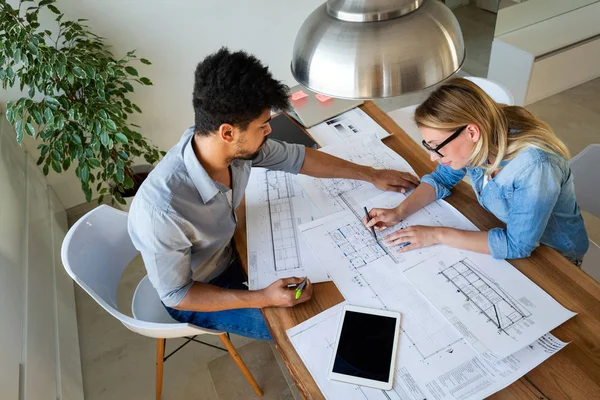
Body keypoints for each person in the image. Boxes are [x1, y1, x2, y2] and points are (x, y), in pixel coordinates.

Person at [127, 47, 419, 341]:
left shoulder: (228, 147)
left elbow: (299, 158)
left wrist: (371, 174)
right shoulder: (161, 212)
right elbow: (177, 294)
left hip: (231, 248)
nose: (269, 131)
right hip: (201, 286)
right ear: (227, 132)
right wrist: (262, 297)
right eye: (263, 126)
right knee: (310, 328)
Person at [366, 77, 588, 265]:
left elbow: (517, 245)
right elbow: (442, 178)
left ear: (471, 132)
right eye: (429, 146)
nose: (433, 157)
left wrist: (436, 234)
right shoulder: (481, 139)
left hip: (555, 257)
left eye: (437, 146)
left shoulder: (536, 167)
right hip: (507, 227)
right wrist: (399, 212)